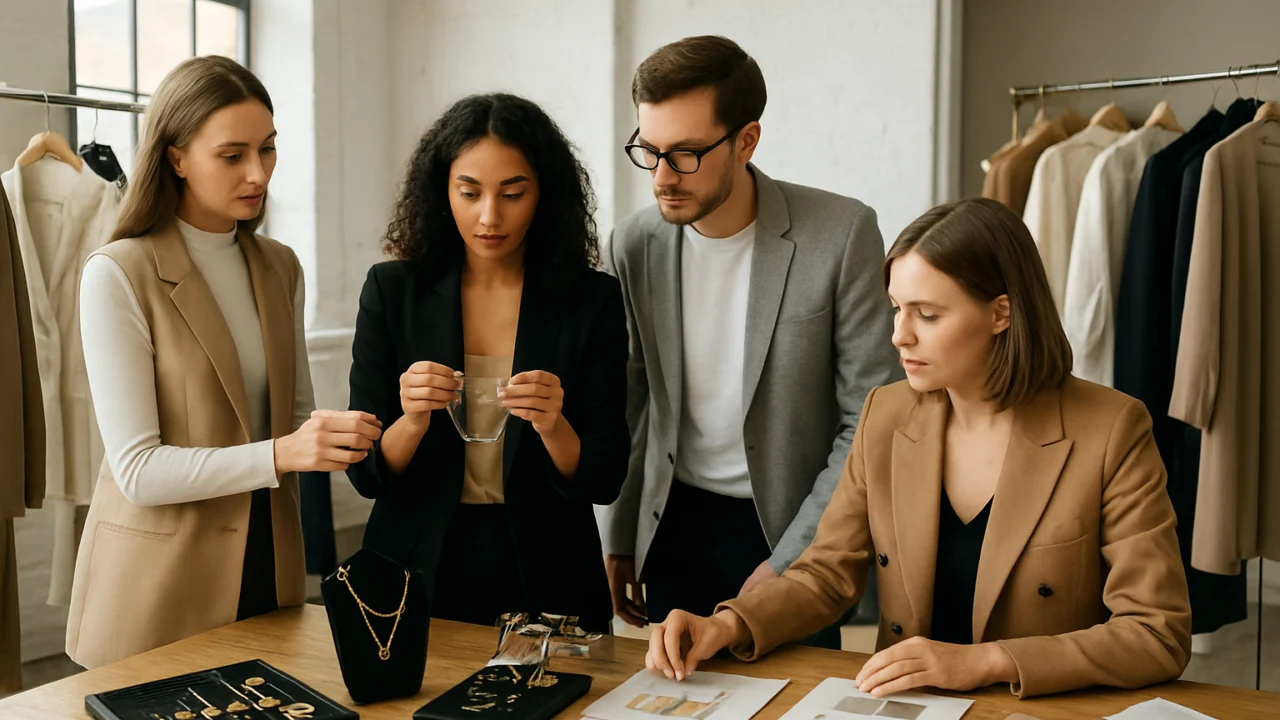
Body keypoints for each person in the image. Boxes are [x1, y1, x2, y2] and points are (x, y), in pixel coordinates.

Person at [646, 198, 1193, 699]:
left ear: (1001, 313)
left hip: (1037, 709)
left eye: (928, 315)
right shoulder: (886, 413)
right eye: (896, 308)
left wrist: (988, 661)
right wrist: (726, 624)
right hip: (906, 709)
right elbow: (826, 572)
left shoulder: (1112, 429)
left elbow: (1156, 632)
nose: (899, 336)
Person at [67, 56, 383, 669]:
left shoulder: (279, 265)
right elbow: (138, 470)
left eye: (267, 149)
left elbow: (295, 420)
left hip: (267, 566)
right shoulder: (117, 273)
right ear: (176, 156)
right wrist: (285, 453)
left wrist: (358, 434)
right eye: (232, 155)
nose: (258, 173)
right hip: (157, 586)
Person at [599, 35, 900, 645]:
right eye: (649, 150)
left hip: (789, 523)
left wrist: (796, 557)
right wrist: (620, 536)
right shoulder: (631, 244)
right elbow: (633, 402)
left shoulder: (841, 235)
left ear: (747, 140)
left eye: (685, 154)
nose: (662, 176)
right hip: (673, 522)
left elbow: (869, 420)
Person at [346, 93, 629, 633]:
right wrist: (411, 420)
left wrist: (553, 424)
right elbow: (365, 472)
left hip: (550, 569)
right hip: (414, 566)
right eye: (469, 193)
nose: (489, 216)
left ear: (544, 193)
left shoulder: (590, 300)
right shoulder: (392, 291)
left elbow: (605, 476)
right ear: (441, 189)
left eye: (513, 193)